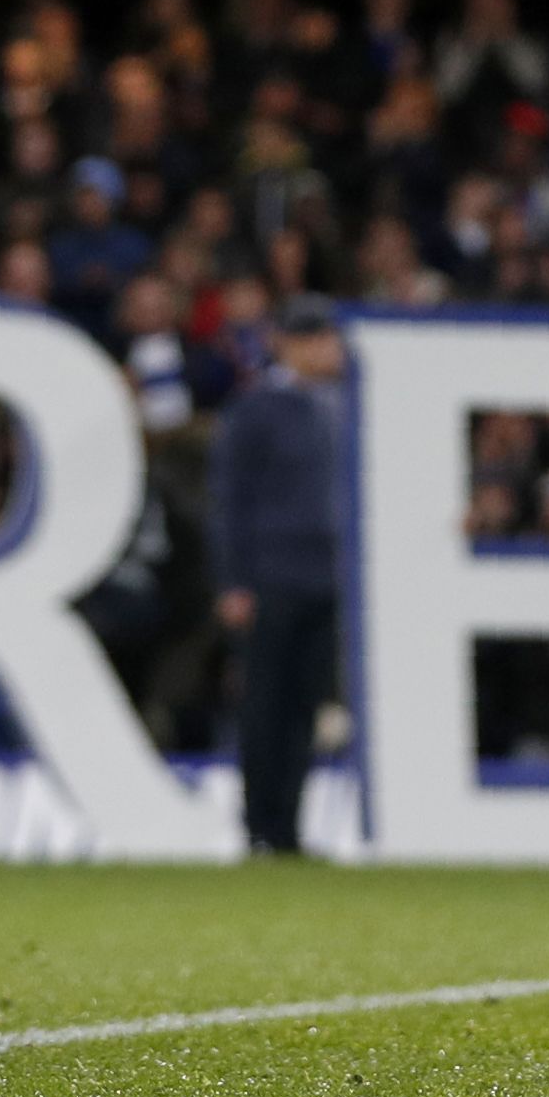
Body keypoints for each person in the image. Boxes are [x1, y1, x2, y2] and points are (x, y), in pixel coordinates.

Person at [210, 298, 347, 857]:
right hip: (273, 576)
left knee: (305, 710)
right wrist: (233, 582)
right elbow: (230, 502)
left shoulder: (342, 407)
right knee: (265, 705)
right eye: (313, 338)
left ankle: (287, 831)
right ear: (286, 344)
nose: (327, 349)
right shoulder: (257, 410)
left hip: (327, 578)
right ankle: (258, 827)